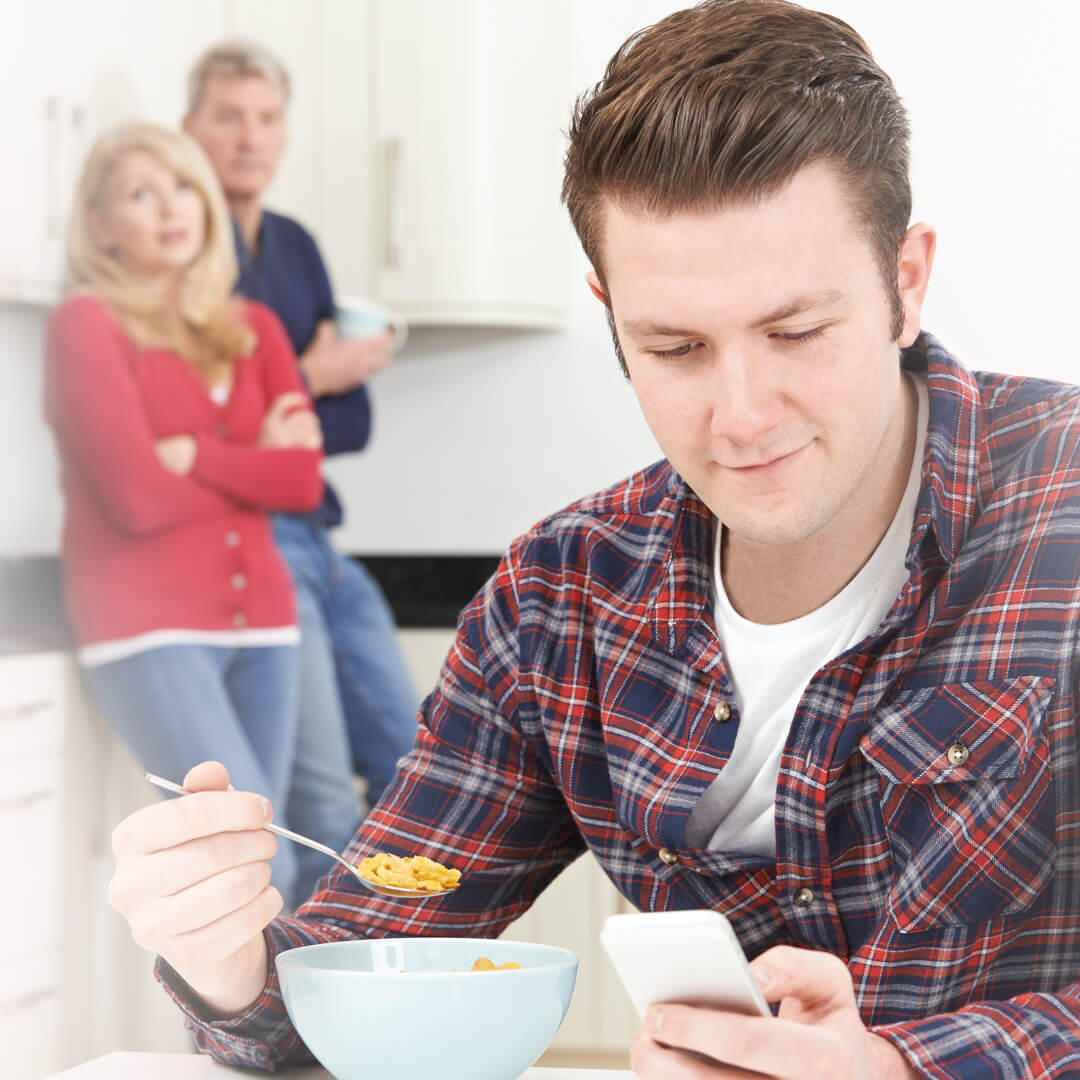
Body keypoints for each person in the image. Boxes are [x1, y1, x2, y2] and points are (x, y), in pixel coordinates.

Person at [106, 2, 1080, 1075]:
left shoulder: (1061, 504)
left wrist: (911, 1067)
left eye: (797, 332)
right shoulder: (559, 605)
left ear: (905, 281)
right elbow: (346, 980)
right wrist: (230, 959)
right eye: (674, 347)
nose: (743, 414)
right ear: (609, 312)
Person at [45, 122, 360, 909]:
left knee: (278, 854)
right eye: (141, 194)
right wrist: (254, 453)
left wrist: (197, 453)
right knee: (247, 865)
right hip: (150, 630)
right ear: (98, 225)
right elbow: (137, 498)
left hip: (264, 621)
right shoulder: (87, 324)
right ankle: (240, 1038)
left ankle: (285, 1037)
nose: (169, 208)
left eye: (183, 186)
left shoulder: (250, 328)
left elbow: (300, 480)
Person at [181, 41, 420, 814]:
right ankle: (321, 943)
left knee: (414, 771)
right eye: (228, 117)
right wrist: (311, 375)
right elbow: (185, 433)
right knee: (321, 799)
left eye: (266, 118)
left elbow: (351, 424)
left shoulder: (294, 246)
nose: (249, 138)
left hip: (319, 538)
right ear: (190, 129)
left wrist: (287, 403)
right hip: (248, 546)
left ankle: (388, 938)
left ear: (285, 133)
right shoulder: (177, 256)